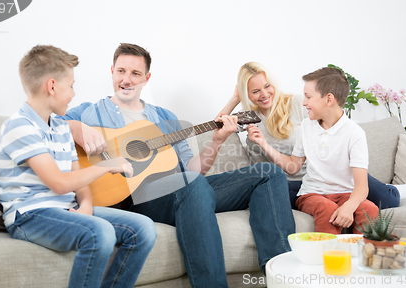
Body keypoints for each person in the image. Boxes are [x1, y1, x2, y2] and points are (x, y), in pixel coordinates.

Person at [58, 43, 296, 288]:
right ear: (112, 71)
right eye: (121, 71)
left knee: (268, 173)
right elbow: (45, 124)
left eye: (135, 74)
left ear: (146, 78)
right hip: (133, 199)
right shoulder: (89, 113)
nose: (126, 79)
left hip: (182, 191)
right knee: (193, 186)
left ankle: (280, 277)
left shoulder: (166, 118)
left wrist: (216, 140)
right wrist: (76, 127)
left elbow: (193, 170)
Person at [0, 45, 156, 288]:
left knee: (143, 228)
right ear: (51, 86)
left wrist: (87, 206)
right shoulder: (19, 126)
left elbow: (77, 177)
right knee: (99, 233)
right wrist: (107, 166)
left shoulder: (61, 126)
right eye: (70, 85)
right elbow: (59, 184)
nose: (73, 94)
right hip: (29, 216)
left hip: (64, 208)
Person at [220, 62, 406, 210]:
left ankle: (399, 189)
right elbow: (217, 127)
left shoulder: (298, 103)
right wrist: (235, 99)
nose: (264, 94)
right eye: (255, 91)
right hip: (296, 184)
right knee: (269, 197)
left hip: (329, 174)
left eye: (267, 86)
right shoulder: (249, 118)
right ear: (247, 95)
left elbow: (333, 129)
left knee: (389, 200)